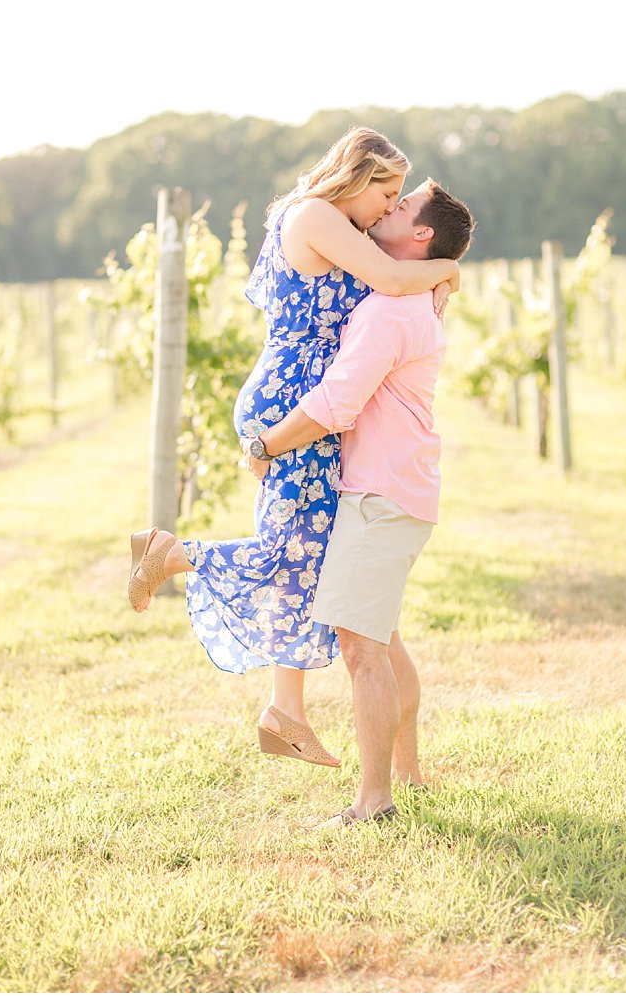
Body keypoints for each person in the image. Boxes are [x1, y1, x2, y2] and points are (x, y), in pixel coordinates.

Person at [125, 128, 462, 768]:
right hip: (295, 402)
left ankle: (288, 711)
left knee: (305, 556)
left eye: (397, 201)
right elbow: (392, 278)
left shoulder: (339, 226)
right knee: (294, 553)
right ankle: (170, 554)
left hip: (306, 400)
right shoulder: (314, 214)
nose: (389, 209)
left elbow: (390, 276)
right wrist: (447, 267)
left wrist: (429, 271)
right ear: (357, 178)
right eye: (386, 194)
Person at [244, 177, 474, 825]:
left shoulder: (388, 309)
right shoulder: (410, 298)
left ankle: (375, 801)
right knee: (385, 639)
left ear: (420, 235)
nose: (389, 208)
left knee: (362, 651)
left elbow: (337, 403)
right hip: (397, 489)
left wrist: (266, 446)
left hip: (379, 494)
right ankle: (409, 772)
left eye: (402, 206)